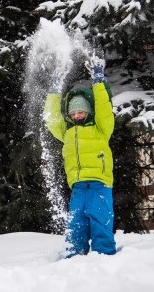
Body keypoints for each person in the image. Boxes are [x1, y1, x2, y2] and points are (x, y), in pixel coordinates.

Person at [43, 59, 116, 257]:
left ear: (89, 112)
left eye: (81, 111)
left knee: (101, 224)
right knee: (75, 228)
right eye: (73, 112)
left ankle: (105, 259)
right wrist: (54, 91)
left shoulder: (101, 127)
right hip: (77, 188)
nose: (76, 115)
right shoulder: (66, 132)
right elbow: (51, 118)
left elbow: (104, 107)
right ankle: (74, 261)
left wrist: (98, 81)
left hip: (99, 185)